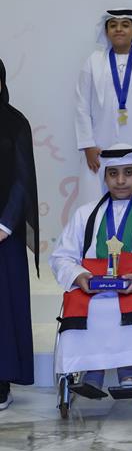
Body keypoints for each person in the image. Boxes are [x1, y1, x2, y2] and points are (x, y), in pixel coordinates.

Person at [49, 145, 132, 397]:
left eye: (128, 173)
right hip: (92, 286)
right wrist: (79, 276)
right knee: (83, 304)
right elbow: (61, 256)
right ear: (104, 177)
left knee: (126, 306)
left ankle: (129, 372)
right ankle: (92, 371)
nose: (121, 180)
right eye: (113, 174)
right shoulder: (85, 214)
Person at [75, 9, 132, 204]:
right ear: (106, 31)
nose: (119, 30)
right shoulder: (93, 62)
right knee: (95, 201)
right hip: (99, 149)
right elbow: (81, 104)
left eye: (125, 25)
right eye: (113, 25)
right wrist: (88, 144)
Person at [0, 59, 39, 410]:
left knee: (4, 308)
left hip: (2, 236)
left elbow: (22, 180)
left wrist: (4, 224)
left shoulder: (14, 124)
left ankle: (2, 380)